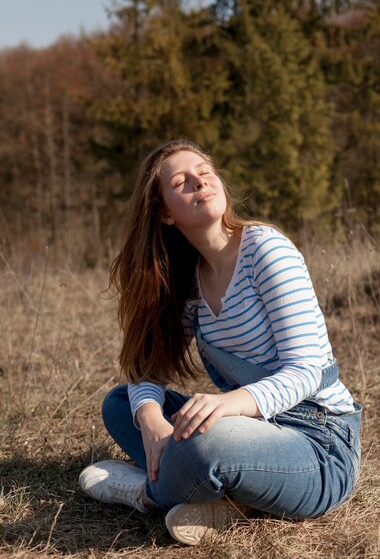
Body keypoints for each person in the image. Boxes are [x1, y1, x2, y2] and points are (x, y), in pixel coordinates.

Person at [78, 139, 362, 546]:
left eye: (205, 170)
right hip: (251, 432)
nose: (200, 181)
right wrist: (154, 421)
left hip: (319, 443)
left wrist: (226, 405)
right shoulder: (190, 281)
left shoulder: (266, 249)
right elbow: (149, 369)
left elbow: (306, 372)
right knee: (124, 404)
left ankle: (144, 494)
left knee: (203, 443)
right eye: (182, 181)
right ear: (164, 213)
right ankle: (231, 499)